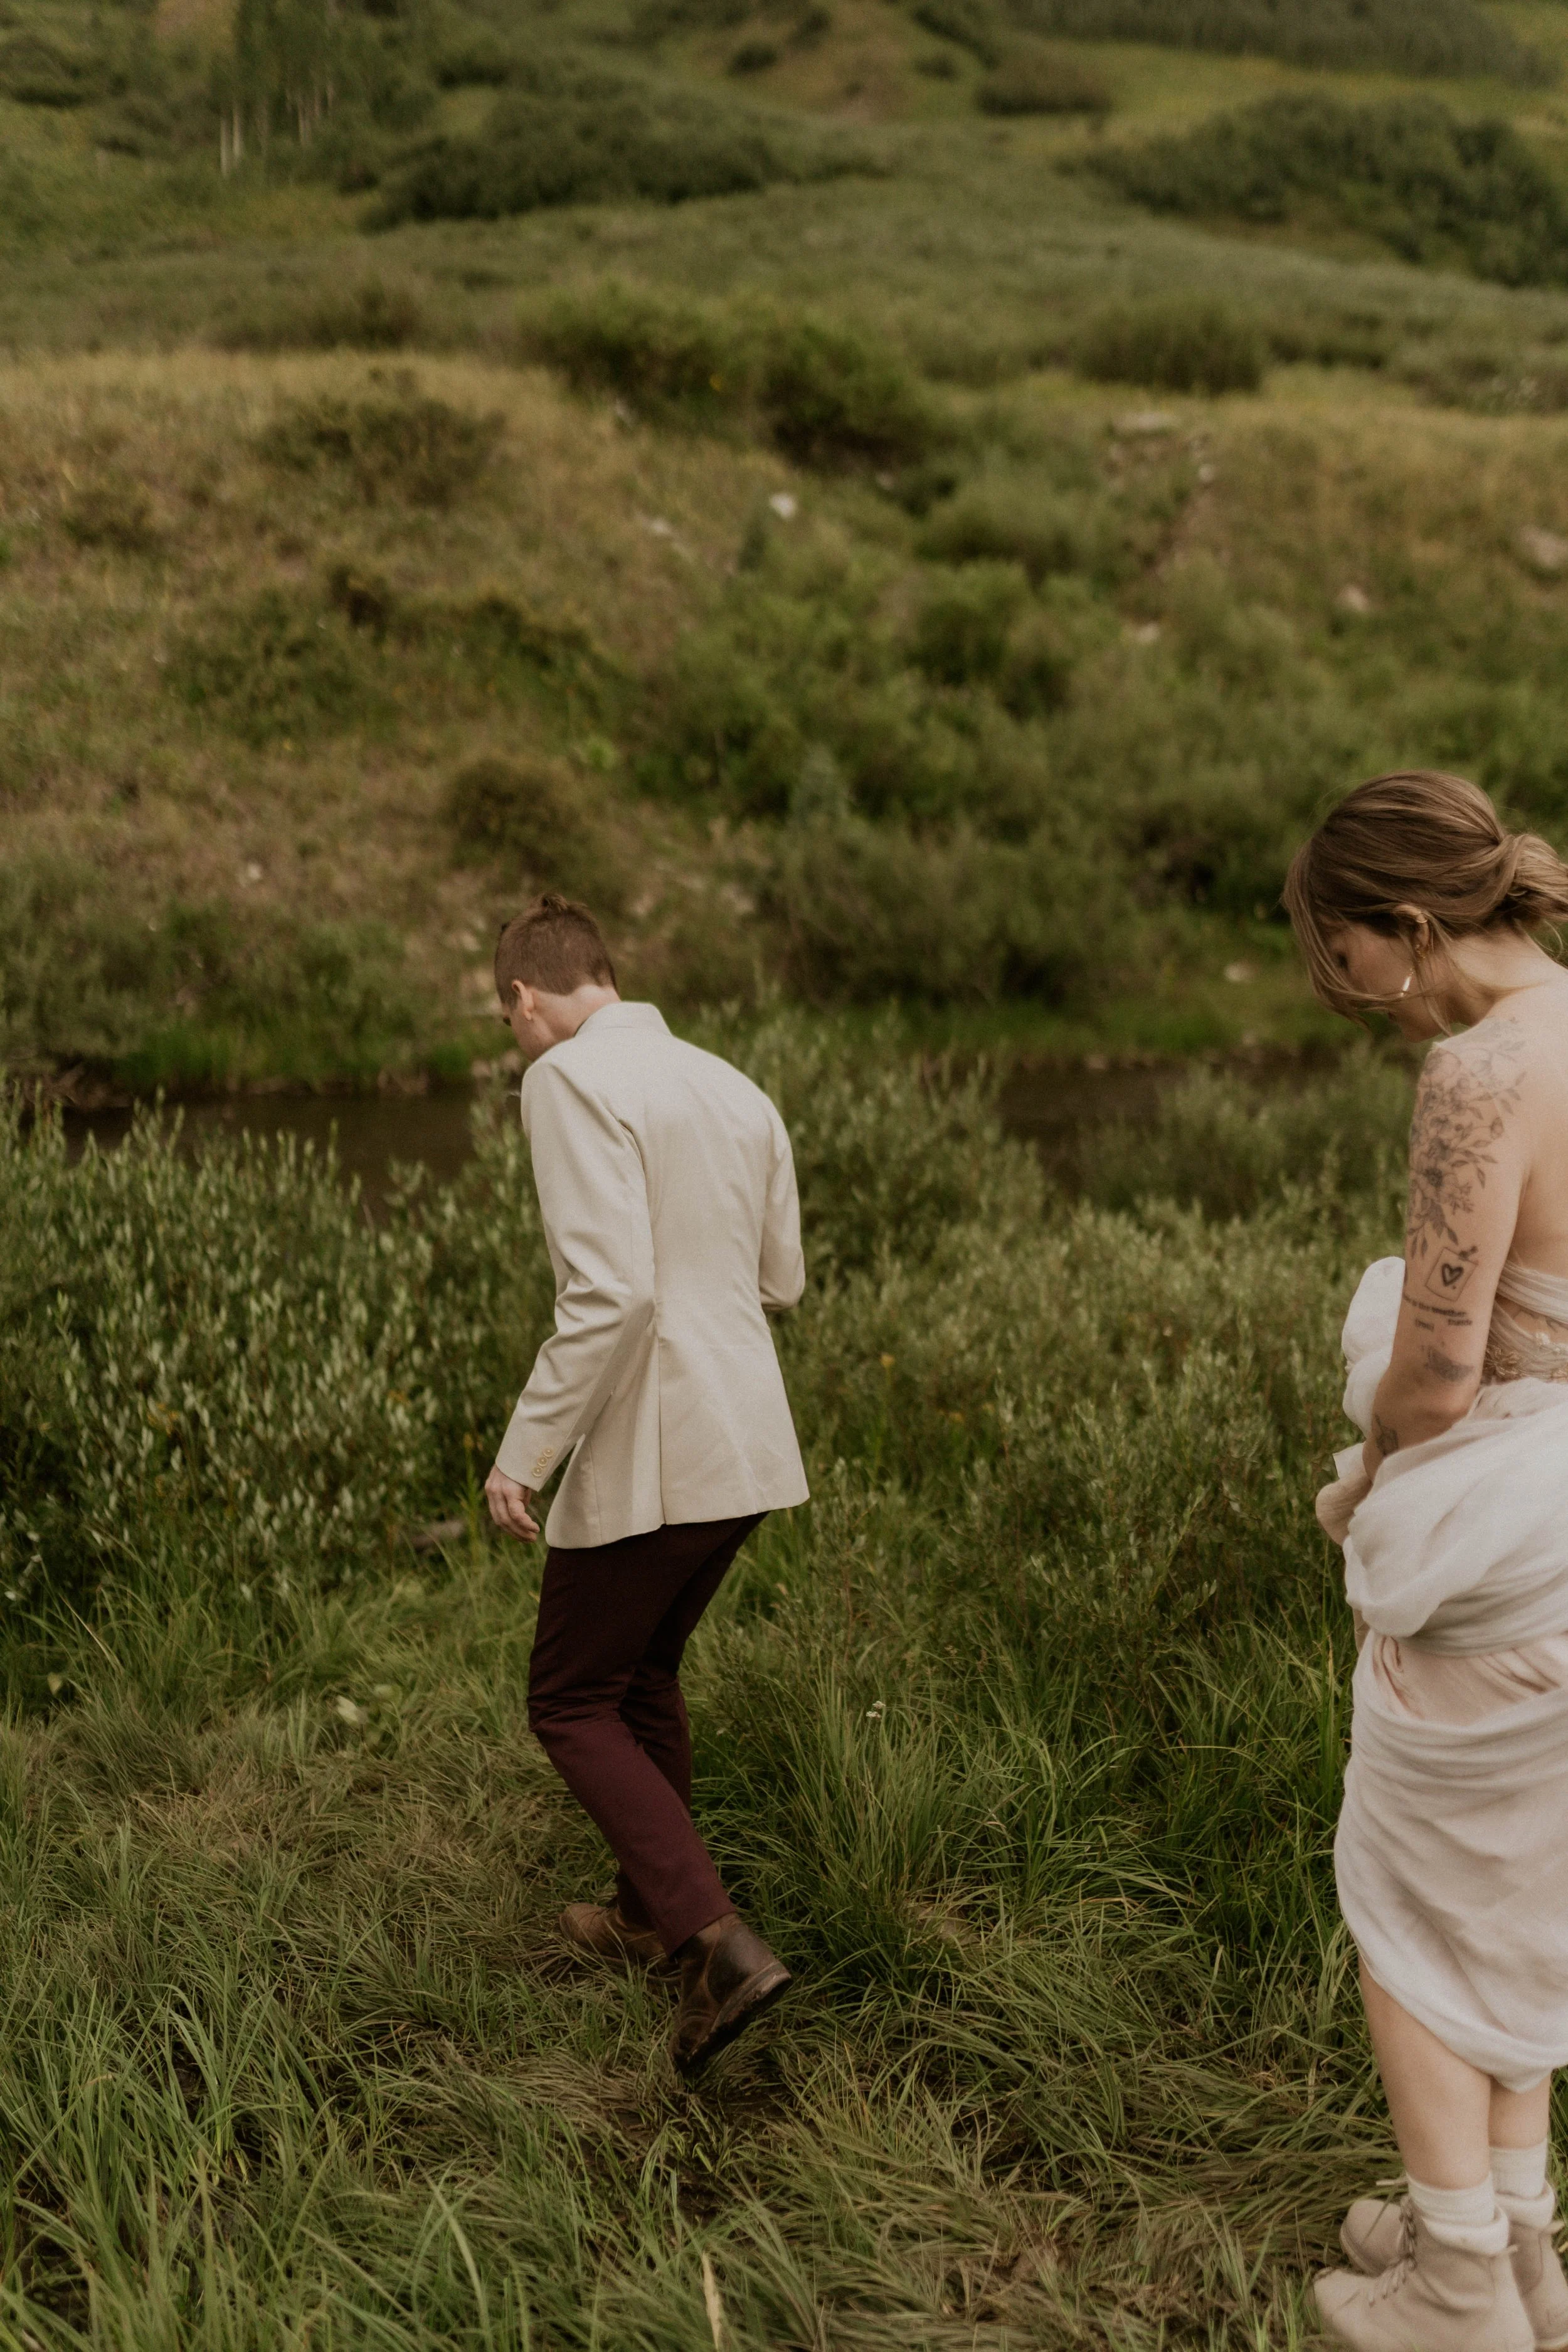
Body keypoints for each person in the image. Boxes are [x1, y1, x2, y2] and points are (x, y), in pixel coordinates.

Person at [1285, 771, 1568, 2352]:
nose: (1346, 993)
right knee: (1512, 1888)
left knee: (1402, 1892)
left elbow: (1442, 1370)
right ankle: (1513, 2239)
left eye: (1343, 957)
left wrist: (1376, 1459)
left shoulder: (1480, 1072)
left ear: (1403, 925)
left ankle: (1453, 2285)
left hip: (1507, 1536)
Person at [481, 893, 810, 2076]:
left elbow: (610, 1294)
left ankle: (715, 1946)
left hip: (662, 1443)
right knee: (641, 1674)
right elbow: (781, 1279)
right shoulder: (734, 1085)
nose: (516, 1037)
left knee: (570, 1697)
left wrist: (523, 1452)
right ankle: (641, 1913)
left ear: (526, 996)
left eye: (508, 1017)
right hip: (750, 1442)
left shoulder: (565, 1078)